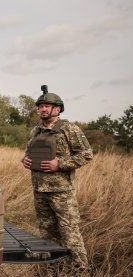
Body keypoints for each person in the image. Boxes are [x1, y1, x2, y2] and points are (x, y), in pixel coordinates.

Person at [22, 86, 93, 276]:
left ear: (58, 109)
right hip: (40, 192)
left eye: (47, 106)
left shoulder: (69, 129)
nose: (42, 109)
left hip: (62, 193)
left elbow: (87, 154)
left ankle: (81, 273)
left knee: (71, 237)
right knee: (47, 237)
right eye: (40, 106)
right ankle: (53, 271)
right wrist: (25, 160)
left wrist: (60, 164)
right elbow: (28, 154)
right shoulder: (35, 131)